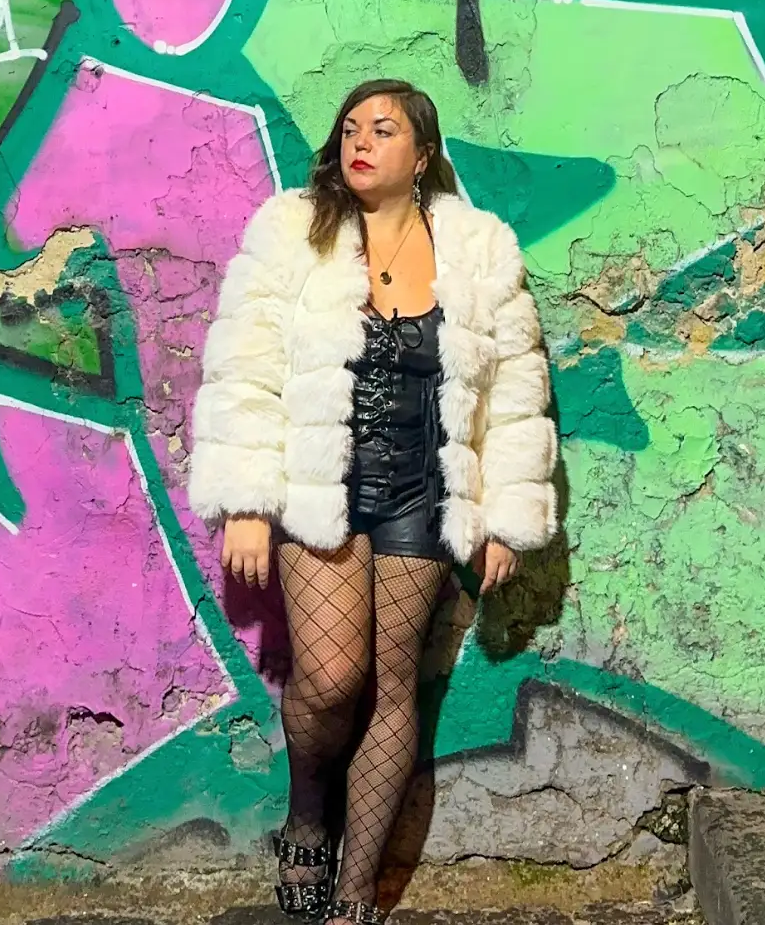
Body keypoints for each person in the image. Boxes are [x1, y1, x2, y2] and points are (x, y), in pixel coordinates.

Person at [186, 79, 558, 925]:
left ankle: (356, 892)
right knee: (329, 680)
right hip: (324, 484)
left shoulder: (479, 249)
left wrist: (505, 516)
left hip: (422, 494)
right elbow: (245, 366)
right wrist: (248, 500)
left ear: (421, 156)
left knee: (394, 688)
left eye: (382, 131)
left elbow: (513, 389)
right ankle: (308, 810)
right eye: (350, 128)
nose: (360, 142)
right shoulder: (291, 232)